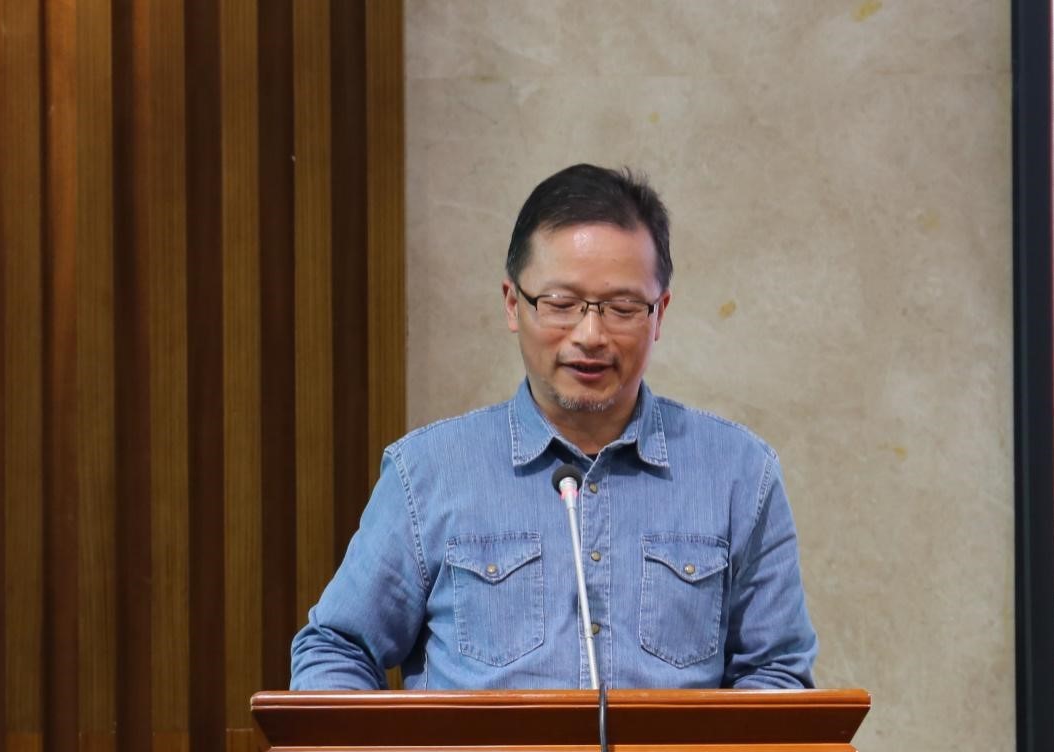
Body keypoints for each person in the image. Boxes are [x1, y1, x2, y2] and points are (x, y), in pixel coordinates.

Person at [290, 163, 817, 690]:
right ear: (512, 304)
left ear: (659, 313)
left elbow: (777, 670)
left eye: (622, 307)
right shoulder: (428, 472)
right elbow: (336, 647)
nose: (590, 335)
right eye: (562, 304)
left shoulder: (739, 472)